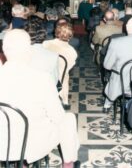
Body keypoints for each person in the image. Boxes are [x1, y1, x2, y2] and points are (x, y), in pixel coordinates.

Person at [0, 29, 79, 168]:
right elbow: (57, 116)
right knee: (68, 119)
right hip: (31, 145)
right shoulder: (41, 79)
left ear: (4, 50)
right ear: (28, 51)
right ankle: (68, 164)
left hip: (2, 142)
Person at [43, 22, 78, 109]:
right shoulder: (72, 51)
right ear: (71, 34)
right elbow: (69, 67)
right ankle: (65, 101)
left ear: (56, 32)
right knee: (65, 75)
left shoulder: (45, 44)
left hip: (45, 75)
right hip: (60, 78)